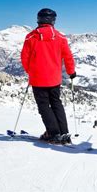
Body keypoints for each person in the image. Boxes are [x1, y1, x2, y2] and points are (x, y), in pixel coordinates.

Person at [21, 8, 76, 144]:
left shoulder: (31, 37)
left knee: (44, 106)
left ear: (39, 19)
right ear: (53, 21)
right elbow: (68, 56)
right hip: (54, 79)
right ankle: (64, 133)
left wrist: (31, 72)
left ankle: (53, 134)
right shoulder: (60, 37)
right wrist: (71, 72)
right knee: (56, 103)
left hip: (38, 79)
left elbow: (24, 58)